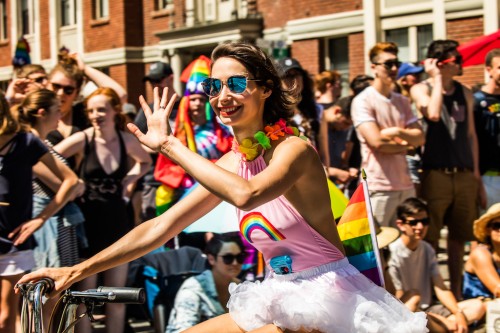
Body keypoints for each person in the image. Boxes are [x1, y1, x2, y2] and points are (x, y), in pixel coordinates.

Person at [17, 42, 427, 333]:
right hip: (279, 294)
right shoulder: (230, 163)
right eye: (214, 87)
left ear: (266, 88)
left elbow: (246, 195)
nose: (222, 96)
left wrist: (170, 145)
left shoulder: (295, 150)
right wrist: (75, 271)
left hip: (330, 300)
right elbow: (160, 227)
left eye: (236, 83)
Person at [52, 87, 152, 333]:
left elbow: (146, 161)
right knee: (84, 296)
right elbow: (47, 157)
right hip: (87, 224)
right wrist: (71, 181)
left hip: (117, 222)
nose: (96, 115)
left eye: (101, 109)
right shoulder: (83, 138)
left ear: (114, 111)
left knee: (115, 297)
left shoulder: (125, 139)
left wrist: (129, 181)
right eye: (91, 110)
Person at [410, 39, 484, 299]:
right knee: (429, 239)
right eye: (455, 60)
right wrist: (436, 78)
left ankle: (456, 294)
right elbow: (431, 113)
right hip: (435, 173)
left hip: (463, 174)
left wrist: (476, 176)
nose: (461, 64)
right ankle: (430, 296)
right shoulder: (421, 88)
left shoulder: (465, 92)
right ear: (439, 63)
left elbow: (472, 135)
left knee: (459, 239)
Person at [0, 92, 78, 333]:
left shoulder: (25, 142)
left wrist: (41, 219)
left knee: (5, 317)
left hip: (13, 241)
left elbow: (71, 180)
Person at [351, 42, 425, 228]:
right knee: (380, 246)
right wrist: (407, 145)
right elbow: (377, 142)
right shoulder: (363, 100)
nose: (394, 69)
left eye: (396, 64)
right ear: (373, 67)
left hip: (405, 184)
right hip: (378, 185)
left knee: (404, 244)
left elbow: (420, 137)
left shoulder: (402, 101)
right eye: (388, 64)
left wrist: (397, 132)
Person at [388, 198, 485, 332]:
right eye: (413, 222)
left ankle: (442, 327)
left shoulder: (427, 248)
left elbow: (440, 286)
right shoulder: (393, 252)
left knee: (477, 306)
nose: (420, 227)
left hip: (430, 309)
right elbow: (398, 299)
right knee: (414, 300)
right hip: (408, 310)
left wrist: (458, 313)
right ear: (400, 224)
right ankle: (443, 326)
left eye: (424, 221)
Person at [166, 233, 245, 333]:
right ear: (211, 259)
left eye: (240, 257)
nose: (235, 263)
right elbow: (182, 330)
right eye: (228, 258)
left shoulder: (242, 288)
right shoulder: (193, 289)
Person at [134, 61, 180, 222]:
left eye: (158, 80)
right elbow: (133, 143)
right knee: (154, 228)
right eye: (151, 81)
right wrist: (157, 147)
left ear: (170, 79)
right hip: (154, 181)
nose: (154, 85)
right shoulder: (148, 109)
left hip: (184, 179)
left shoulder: (188, 105)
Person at [277, 57, 329, 165]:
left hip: (313, 171)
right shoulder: (271, 111)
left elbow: (323, 150)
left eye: (296, 74)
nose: (293, 80)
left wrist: (325, 170)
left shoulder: (317, 110)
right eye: (287, 75)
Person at [473, 49, 500, 210]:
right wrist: (477, 183)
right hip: (487, 179)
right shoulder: (476, 101)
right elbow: (471, 142)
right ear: (488, 69)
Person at [463, 203, 500, 300]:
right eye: (497, 225)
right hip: (481, 310)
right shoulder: (480, 254)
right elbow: (498, 290)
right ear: (488, 230)